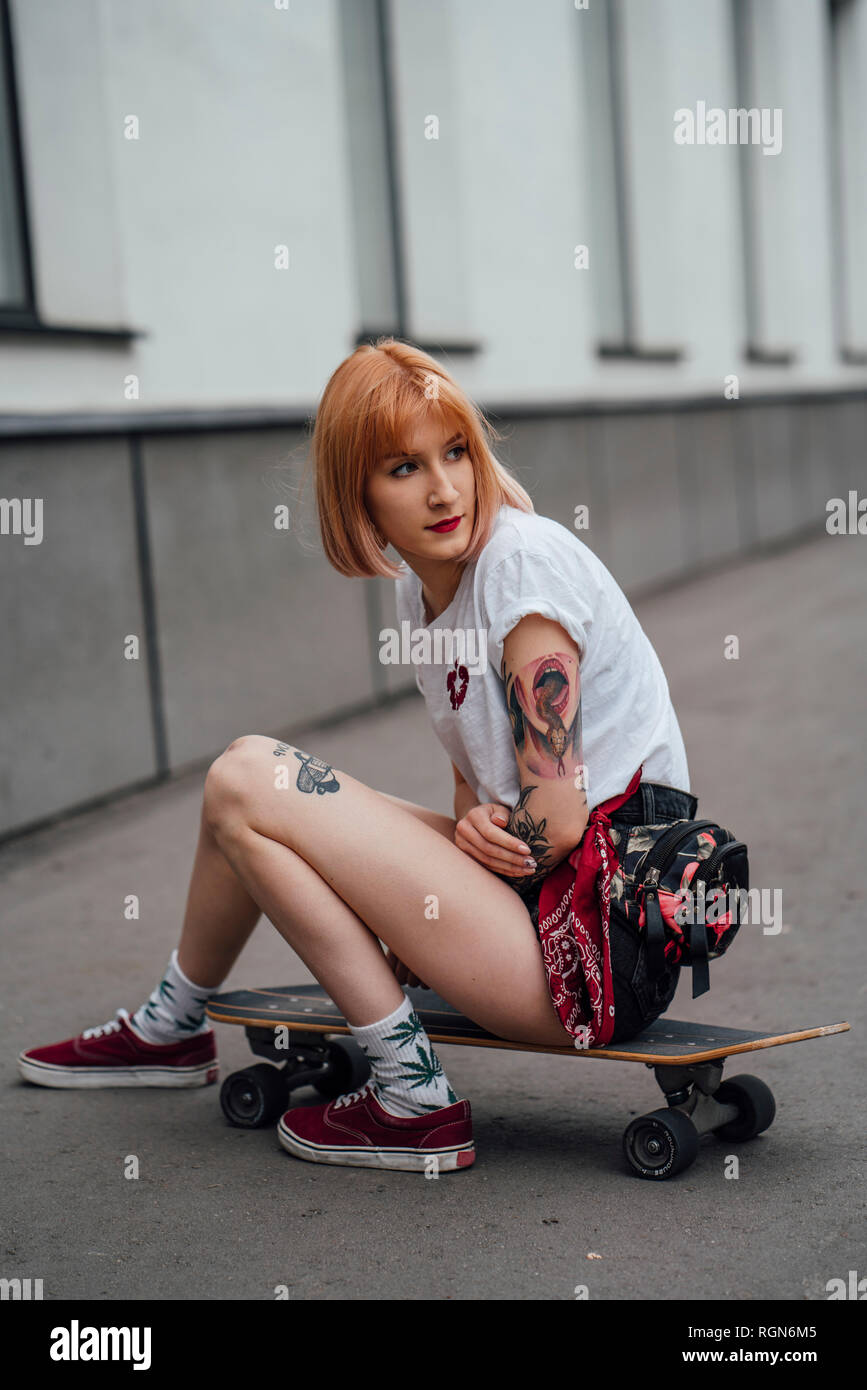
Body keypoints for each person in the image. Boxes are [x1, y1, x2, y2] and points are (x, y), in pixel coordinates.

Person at [18, 338, 693, 1174]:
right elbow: (479, 792)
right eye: (403, 468)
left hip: (592, 949)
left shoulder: (519, 564)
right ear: (358, 493)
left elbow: (552, 817)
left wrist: (474, 867)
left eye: (454, 452)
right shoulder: (425, 591)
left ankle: (411, 1099)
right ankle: (170, 1026)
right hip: (543, 904)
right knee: (246, 783)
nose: (445, 488)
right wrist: (470, 838)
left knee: (245, 779)